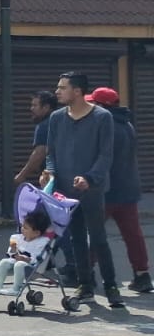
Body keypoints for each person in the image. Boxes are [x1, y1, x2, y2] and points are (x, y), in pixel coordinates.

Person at [45, 73, 123, 308]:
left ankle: (111, 286)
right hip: (64, 190)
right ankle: (85, 284)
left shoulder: (102, 117)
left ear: (77, 91)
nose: (57, 92)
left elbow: (105, 154)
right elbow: (51, 153)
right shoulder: (57, 118)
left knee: (98, 238)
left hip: (91, 189)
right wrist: (49, 172)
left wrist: (90, 178)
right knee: (77, 238)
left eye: (62, 88)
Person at [87, 88, 150, 294]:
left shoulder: (105, 125)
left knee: (93, 233)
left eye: (94, 103)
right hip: (128, 188)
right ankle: (142, 275)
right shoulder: (127, 124)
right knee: (133, 235)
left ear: (103, 106)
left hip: (105, 190)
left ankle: (85, 273)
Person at [0, 208, 51, 295]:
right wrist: (13, 249)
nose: (22, 229)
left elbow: (39, 258)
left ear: (36, 233)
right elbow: (10, 254)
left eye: (26, 228)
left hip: (31, 266)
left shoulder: (41, 242)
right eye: (22, 226)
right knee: (4, 262)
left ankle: (16, 288)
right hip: (17, 260)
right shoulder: (18, 238)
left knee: (19, 264)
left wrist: (26, 259)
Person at [14, 90, 62, 186]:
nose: (31, 109)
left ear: (46, 107)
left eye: (35, 106)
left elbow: (40, 153)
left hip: (54, 179)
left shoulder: (44, 125)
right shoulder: (62, 120)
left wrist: (22, 175)